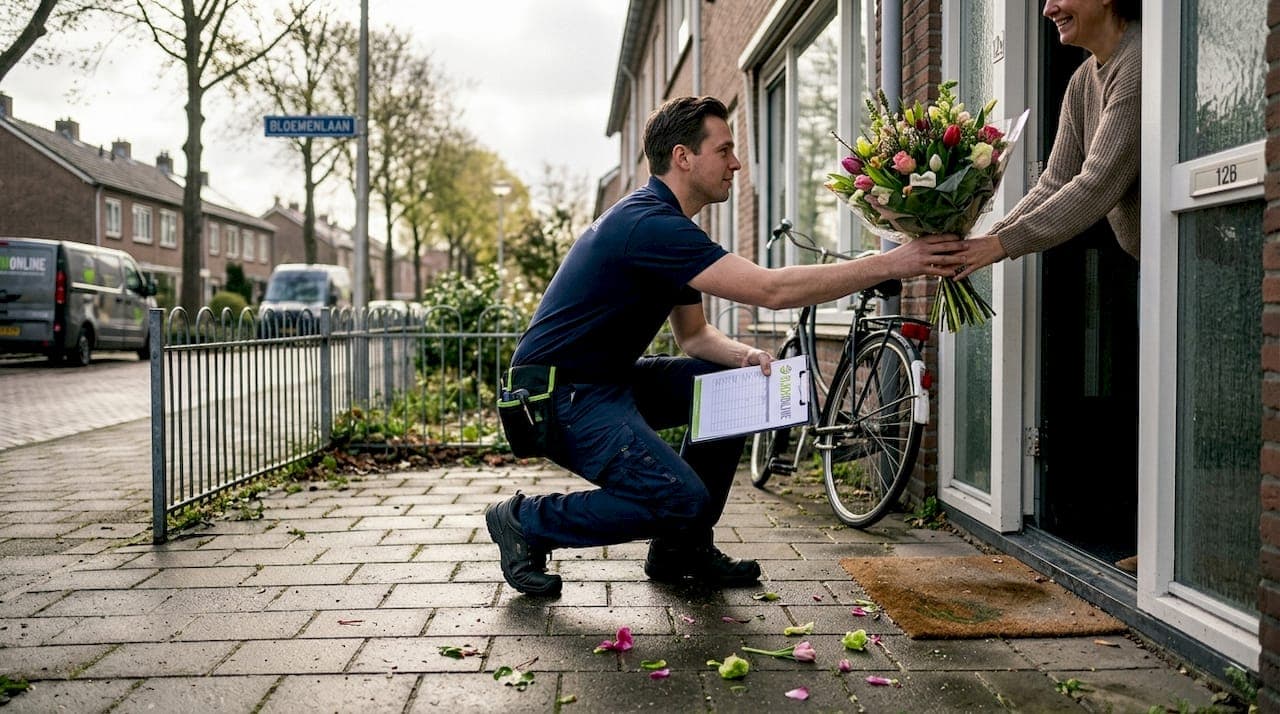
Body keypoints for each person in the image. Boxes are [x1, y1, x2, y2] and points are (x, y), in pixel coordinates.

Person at [486, 96, 966, 596]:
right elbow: (770, 290)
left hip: (603, 382)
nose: (736, 163)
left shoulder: (668, 227)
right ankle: (525, 521)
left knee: (733, 387)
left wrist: (745, 358)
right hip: (558, 396)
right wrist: (891, 261)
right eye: (725, 150)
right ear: (683, 156)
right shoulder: (649, 224)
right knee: (678, 498)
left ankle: (682, 551)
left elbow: (693, 336)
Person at [953, 0, 1141, 279]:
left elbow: (1098, 183)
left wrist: (1002, 244)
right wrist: (984, 244)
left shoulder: (1138, 62)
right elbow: (1054, 183)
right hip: (1148, 258)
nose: (1048, 9)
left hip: (1186, 254)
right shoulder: (1082, 81)